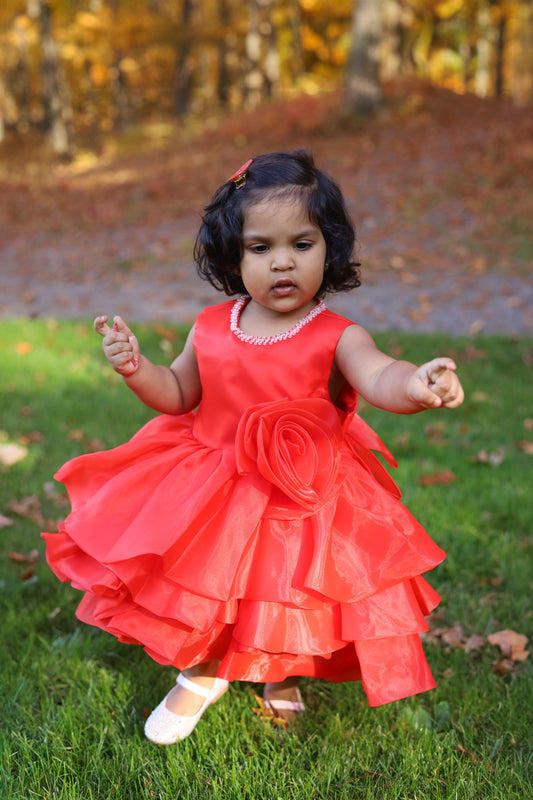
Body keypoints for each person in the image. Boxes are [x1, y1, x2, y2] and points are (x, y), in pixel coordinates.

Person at [42, 150, 464, 746]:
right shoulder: (211, 326)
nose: (283, 262)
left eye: (303, 244)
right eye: (260, 248)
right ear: (231, 256)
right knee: (216, 584)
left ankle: (279, 670)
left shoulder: (338, 336)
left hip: (301, 492)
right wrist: (138, 369)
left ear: (330, 248)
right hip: (215, 482)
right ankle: (204, 670)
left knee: (285, 588)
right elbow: (179, 391)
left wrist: (418, 384)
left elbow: (380, 375)